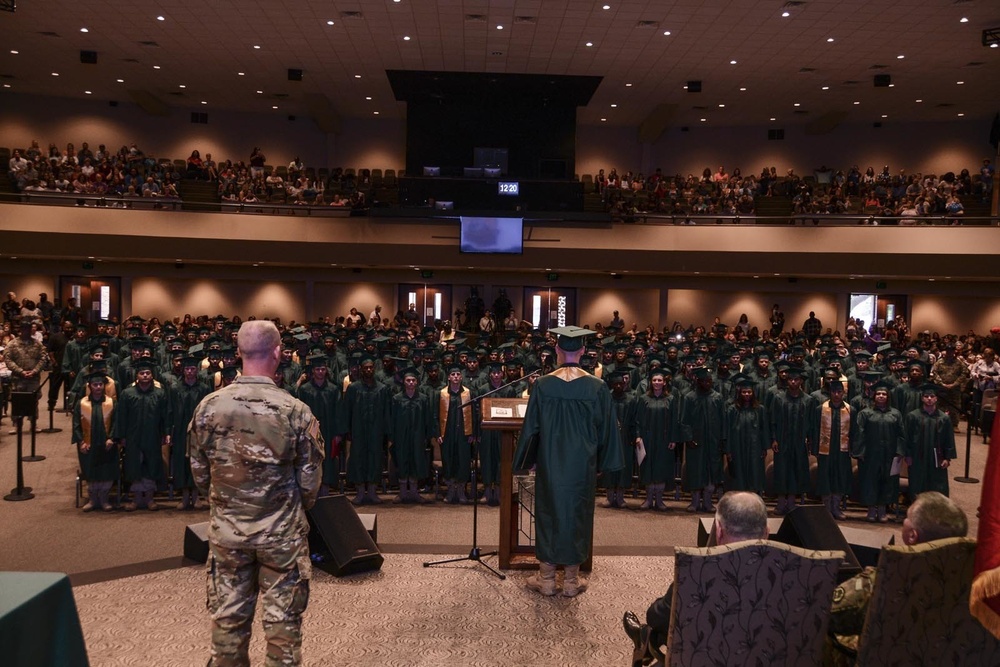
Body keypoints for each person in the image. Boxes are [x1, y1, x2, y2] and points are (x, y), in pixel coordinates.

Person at [188, 320, 324, 667]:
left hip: (228, 534)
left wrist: (229, 503)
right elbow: (309, 484)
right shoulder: (295, 411)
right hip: (281, 538)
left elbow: (200, 476)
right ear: (278, 353)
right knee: (283, 633)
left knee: (228, 629)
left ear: (238, 352)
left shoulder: (207, 408)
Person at [514, 326, 624, 597]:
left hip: (550, 462)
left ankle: (547, 580)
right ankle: (572, 583)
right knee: (578, 515)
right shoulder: (597, 387)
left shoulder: (542, 384)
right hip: (581, 465)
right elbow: (608, 429)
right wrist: (601, 463)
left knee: (549, 513)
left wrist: (529, 459)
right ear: (584, 351)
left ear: (557, 350)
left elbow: (532, 428)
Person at [623, 492, 769, 666]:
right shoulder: (793, 576)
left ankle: (644, 637)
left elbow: (656, 617)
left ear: (719, 531)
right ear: (767, 533)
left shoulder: (695, 573)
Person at [826, 492, 968, 652]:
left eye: (907, 518)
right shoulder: (974, 590)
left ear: (912, 536)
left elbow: (823, 613)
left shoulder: (880, 583)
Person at [114, 358, 170, 511]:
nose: (145, 375)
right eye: (142, 373)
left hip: (153, 435)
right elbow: (121, 416)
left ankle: (150, 498)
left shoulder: (160, 394)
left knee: (151, 465)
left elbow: (165, 415)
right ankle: (137, 499)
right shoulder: (127, 393)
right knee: (134, 466)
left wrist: (166, 433)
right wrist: (122, 436)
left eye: (147, 373)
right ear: (136, 375)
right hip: (133, 436)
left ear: (152, 375)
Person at [72, 370, 118, 512]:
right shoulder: (82, 403)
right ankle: (92, 499)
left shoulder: (111, 403)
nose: (98, 387)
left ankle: (104, 499)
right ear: (89, 386)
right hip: (88, 443)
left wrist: (112, 438)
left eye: (100, 384)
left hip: (107, 444)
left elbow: (116, 423)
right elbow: (76, 425)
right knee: (91, 469)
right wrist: (81, 442)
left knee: (106, 470)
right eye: (95, 384)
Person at [903, 384, 957, 499]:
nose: (929, 399)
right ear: (922, 398)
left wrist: (947, 458)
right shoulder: (912, 416)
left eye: (932, 396)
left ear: (936, 398)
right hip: (918, 456)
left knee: (937, 484)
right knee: (917, 483)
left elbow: (949, 439)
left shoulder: (944, 418)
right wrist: (907, 455)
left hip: (937, 456)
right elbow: (907, 437)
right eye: (926, 396)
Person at [812, 380, 853, 520]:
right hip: (825, 451)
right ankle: (826, 508)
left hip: (842, 450)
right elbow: (815, 430)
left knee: (840, 477)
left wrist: (853, 448)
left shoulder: (849, 410)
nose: (836, 394)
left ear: (843, 393)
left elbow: (854, 431)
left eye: (839, 392)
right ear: (829, 392)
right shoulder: (820, 409)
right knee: (825, 478)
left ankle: (836, 507)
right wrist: (814, 449)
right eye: (834, 392)